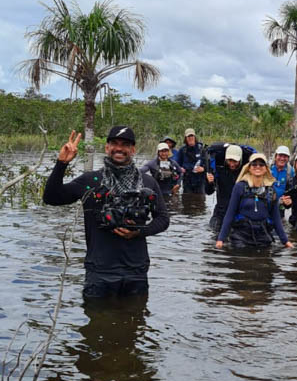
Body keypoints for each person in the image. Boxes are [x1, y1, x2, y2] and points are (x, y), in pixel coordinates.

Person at [43, 126, 169, 299]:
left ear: (133, 150)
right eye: (114, 143)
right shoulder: (90, 181)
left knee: (135, 316)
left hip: (136, 270)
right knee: (97, 316)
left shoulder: (147, 182)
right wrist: (61, 164)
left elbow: (163, 219)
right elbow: (51, 198)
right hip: (100, 270)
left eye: (125, 145)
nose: (119, 148)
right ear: (107, 147)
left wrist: (139, 232)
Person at [215, 153, 294, 249]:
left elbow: (276, 218)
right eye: (254, 164)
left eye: (261, 164)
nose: (258, 166)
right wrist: (221, 239)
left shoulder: (271, 190)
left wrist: (285, 241)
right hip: (241, 235)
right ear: (249, 168)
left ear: (266, 168)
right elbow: (230, 213)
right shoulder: (240, 187)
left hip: (263, 235)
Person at [205, 143, 253, 232]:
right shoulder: (219, 171)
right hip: (221, 212)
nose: (232, 164)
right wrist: (209, 182)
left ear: (240, 160)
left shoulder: (246, 173)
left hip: (239, 213)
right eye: (230, 161)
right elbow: (208, 192)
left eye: (235, 161)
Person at [175, 128, 208, 193]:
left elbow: (208, 164)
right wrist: (180, 168)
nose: (190, 138)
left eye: (192, 136)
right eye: (188, 136)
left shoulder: (202, 149)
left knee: (200, 198)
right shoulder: (182, 150)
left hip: (200, 181)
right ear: (185, 138)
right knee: (187, 198)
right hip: (187, 181)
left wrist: (203, 169)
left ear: (194, 137)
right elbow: (177, 164)